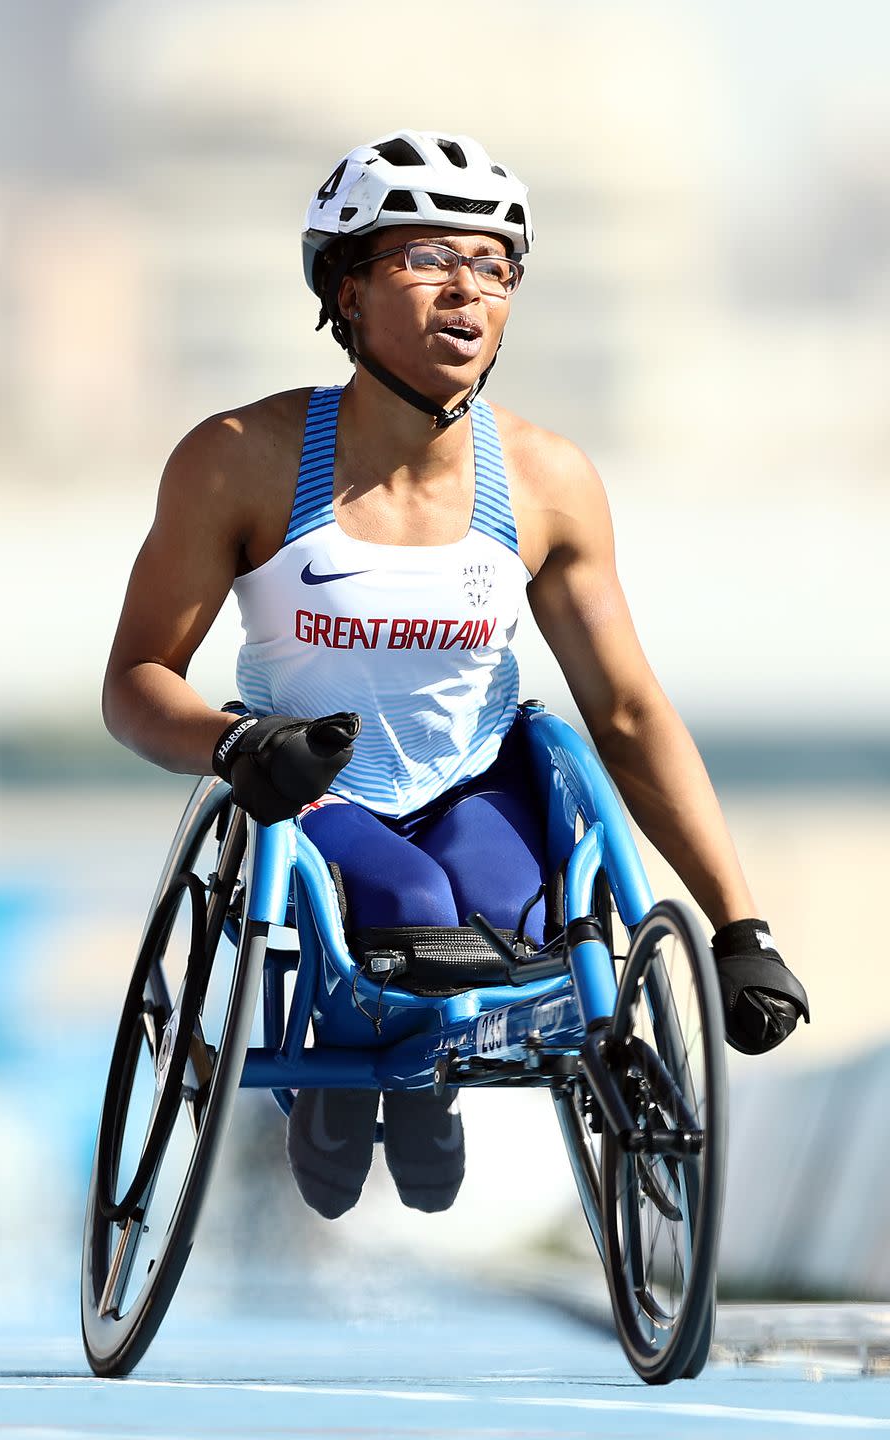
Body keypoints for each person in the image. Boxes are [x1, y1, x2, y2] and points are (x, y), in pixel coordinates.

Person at [103, 128, 809, 1222]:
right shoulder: (238, 457)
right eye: (425, 260)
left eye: (492, 266)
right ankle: (350, 1071)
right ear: (344, 289)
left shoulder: (546, 479)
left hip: (476, 782)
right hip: (313, 789)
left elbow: (625, 709)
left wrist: (739, 930)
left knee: (520, 934)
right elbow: (139, 678)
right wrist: (235, 744)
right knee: (410, 909)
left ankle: (421, 1082)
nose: (465, 293)